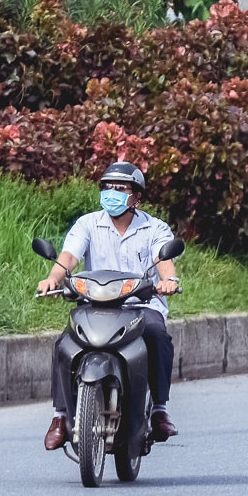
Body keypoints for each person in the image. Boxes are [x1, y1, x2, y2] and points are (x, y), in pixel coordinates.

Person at [37, 162, 182, 450]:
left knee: (157, 335)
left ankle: (159, 410)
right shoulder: (88, 224)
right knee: (64, 343)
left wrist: (169, 281)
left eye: (120, 188)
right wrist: (52, 279)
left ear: (136, 197)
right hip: (95, 305)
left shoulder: (154, 228)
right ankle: (60, 416)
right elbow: (68, 258)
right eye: (107, 187)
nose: (111, 193)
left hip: (141, 306)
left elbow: (165, 261)